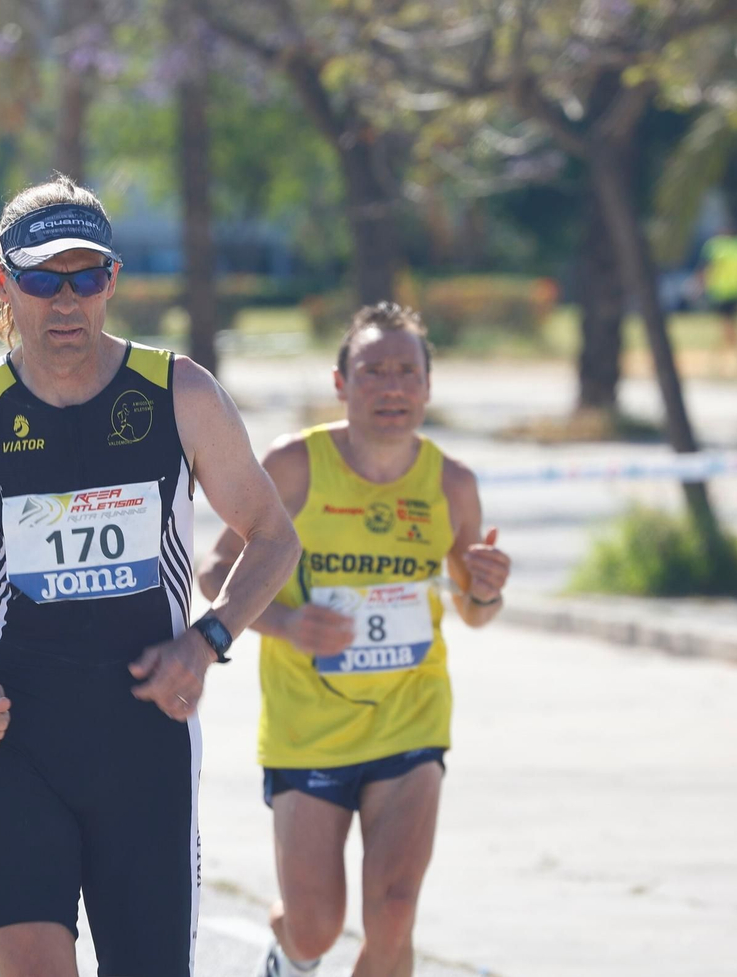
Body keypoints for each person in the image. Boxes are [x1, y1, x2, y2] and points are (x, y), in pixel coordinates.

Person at [0, 175, 301, 977]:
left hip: (145, 744)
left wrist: (208, 640)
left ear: (112, 280)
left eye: (86, 277)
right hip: (16, 743)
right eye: (42, 279)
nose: (65, 301)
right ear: (3, 281)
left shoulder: (179, 392)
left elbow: (273, 536)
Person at [197, 302, 512, 977]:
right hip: (306, 727)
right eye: (374, 371)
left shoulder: (452, 484)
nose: (392, 387)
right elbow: (216, 569)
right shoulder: (294, 466)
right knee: (316, 929)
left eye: (407, 371)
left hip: (410, 718)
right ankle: (290, 950)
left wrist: (484, 588)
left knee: (394, 913)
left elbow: (473, 608)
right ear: (342, 384)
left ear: (427, 386)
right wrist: (282, 623)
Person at [700, 225, 737, 371]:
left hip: (726, 291)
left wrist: (700, 285)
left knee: (728, 325)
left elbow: (706, 268)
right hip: (729, 291)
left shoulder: (717, 246)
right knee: (729, 325)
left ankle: (731, 355)